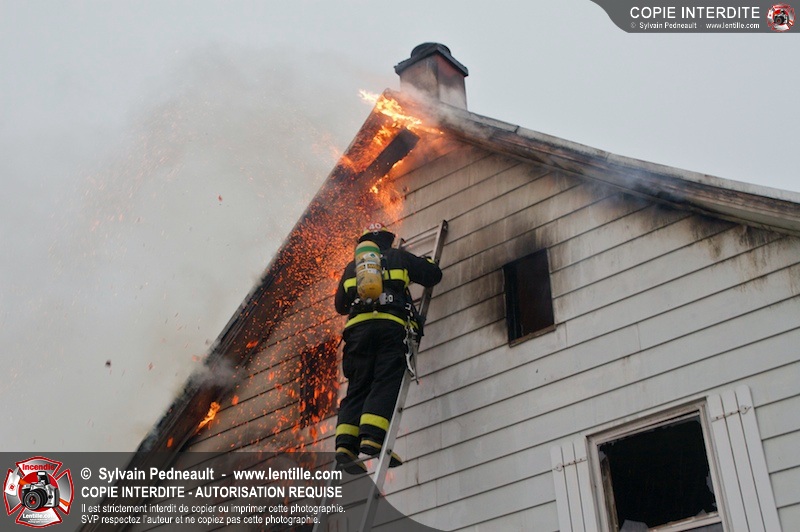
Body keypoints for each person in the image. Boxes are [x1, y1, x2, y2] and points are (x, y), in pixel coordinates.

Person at [333, 222, 442, 474]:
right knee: (385, 379)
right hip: (389, 328)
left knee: (358, 386)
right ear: (386, 239)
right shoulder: (398, 257)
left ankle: (345, 445)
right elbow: (433, 276)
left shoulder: (352, 268)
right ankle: (373, 438)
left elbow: (340, 305)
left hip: (357, 334)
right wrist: (427, 262)